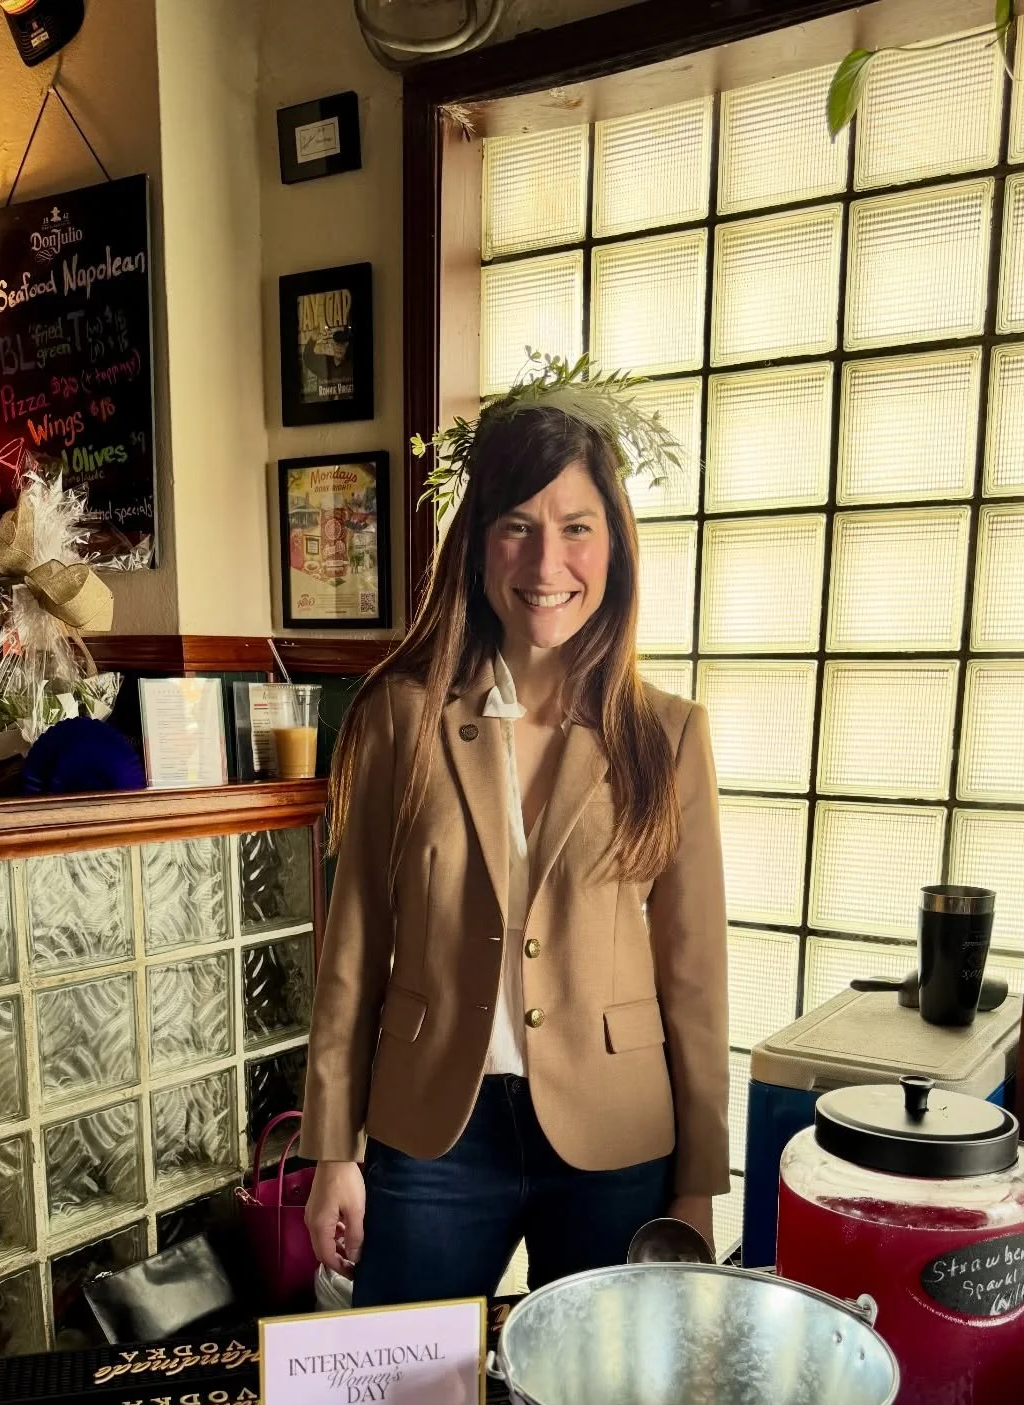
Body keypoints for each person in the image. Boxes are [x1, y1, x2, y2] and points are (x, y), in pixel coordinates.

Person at [301, 356, 729, 1307]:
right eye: (518, 528)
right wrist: (335, 1147)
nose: (547, 565)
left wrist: (698, 1182)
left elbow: (695, 976)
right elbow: (356, 943)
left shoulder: (666, 735)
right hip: (434, 1127)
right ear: (478, 546)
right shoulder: (397, 720)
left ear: (611, 546)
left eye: (576, 528)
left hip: (616, 1135)